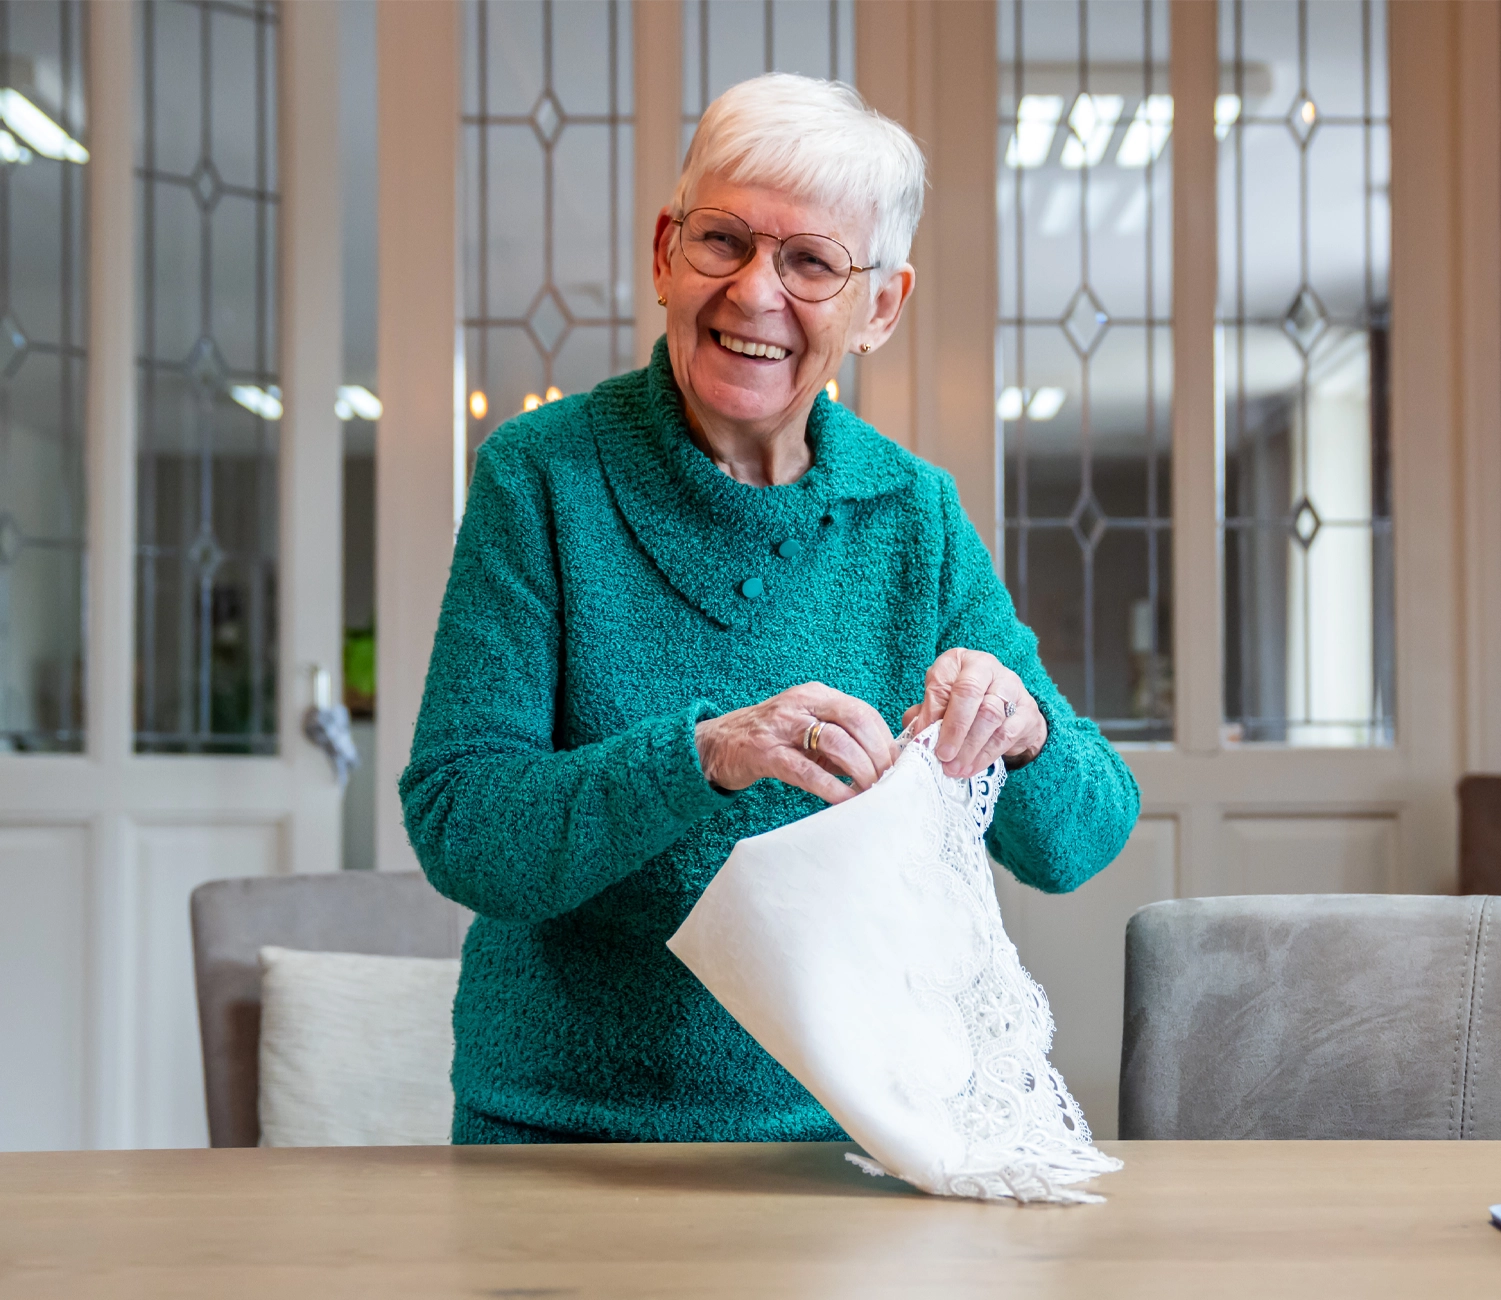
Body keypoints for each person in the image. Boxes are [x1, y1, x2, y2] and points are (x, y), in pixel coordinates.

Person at [400, 72, 1140, 1145]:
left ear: (879, 307)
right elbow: (463, 826)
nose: (755, 294)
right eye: (724, 241)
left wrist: (1019, 731)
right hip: (561, 1134)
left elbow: (1081, 837)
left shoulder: (914, 515)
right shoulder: (542, 476)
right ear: (666, 253)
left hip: (854, 1134)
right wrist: (702, 755)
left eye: (811, 262)